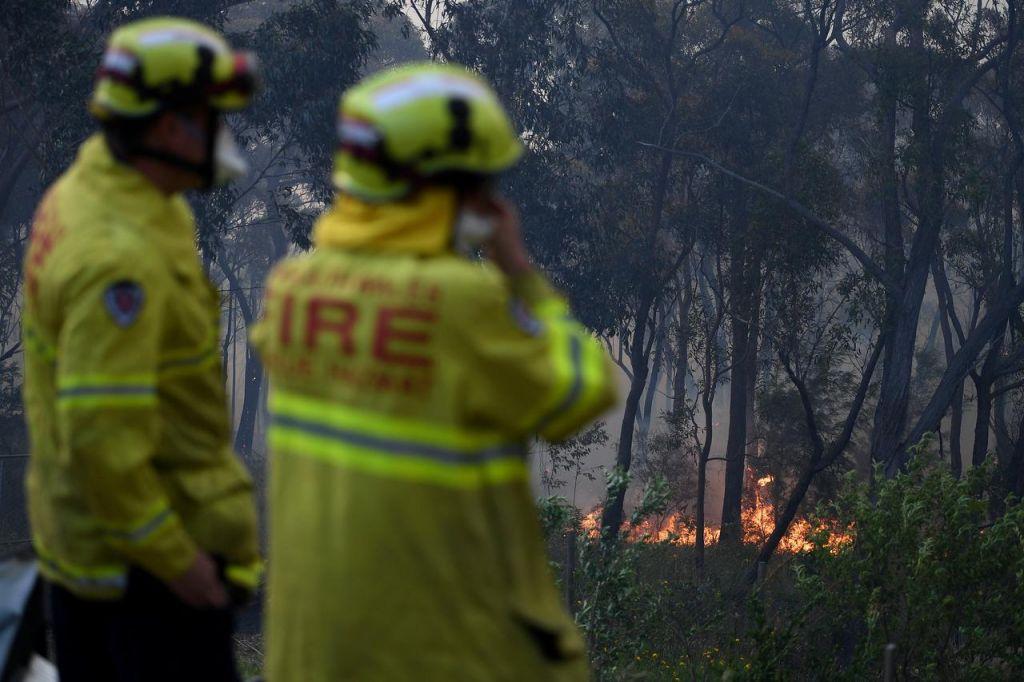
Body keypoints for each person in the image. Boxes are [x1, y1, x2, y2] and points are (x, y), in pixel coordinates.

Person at [252, 62, 617, 681]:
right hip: (443, 654)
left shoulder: (292, 290)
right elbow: (582, 392)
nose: (491, 200)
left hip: (312, 656)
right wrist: (521, 275)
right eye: (482, 183)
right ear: (442, 185)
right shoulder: (459, 301)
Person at [22, 17, 261, 682]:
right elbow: (101, 439)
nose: (221, 133)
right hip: (144, 582)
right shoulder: (117, 258)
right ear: (166, 128)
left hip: (111, 562)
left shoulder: (94, 194)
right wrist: (183, 565)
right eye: (209, 116)